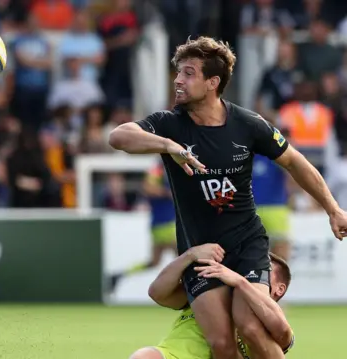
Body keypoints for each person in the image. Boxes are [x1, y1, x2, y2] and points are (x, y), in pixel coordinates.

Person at [108, 36, 347, 359]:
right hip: (202, 252)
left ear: (213, 82)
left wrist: (333, 209)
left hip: (247, 243)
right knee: (222, 344)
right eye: (178, 72)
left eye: (189, 73)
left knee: (250, 326)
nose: (178, 80)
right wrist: (168, 146)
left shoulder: (247, 124)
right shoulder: (168, 124)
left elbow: (294, 161)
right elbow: (118, 136)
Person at [130, 243, 293, 359]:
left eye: (264, 270)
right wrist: (190, 255)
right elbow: (157, 293)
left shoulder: (265, 323)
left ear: (280, 289)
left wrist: (240, 282)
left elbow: (283, 331)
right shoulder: (209, 295)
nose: (252, 272)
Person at [109, 161, 176, 292]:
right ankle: (180, 293)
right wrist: (168, 193)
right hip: (166, 224)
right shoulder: (158, 170)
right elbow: (147, 187)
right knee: (184, 259)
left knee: (154, 262)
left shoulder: (166, 170)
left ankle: (120, 275)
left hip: (160, 224)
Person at [253, 153, 291, 260]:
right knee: (250, 252)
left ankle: (278, 276)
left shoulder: (274, 149)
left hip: (275, 207)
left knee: (280, 252)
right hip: (250, 207)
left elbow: (291, 170)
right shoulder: (242, 150)